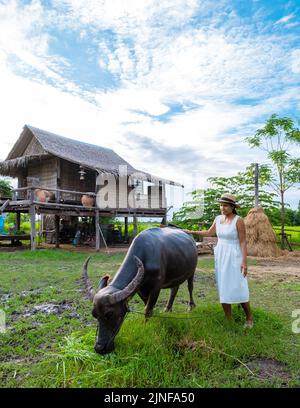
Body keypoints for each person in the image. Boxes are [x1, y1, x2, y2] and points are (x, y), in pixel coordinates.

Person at [184, 193, 253, 328]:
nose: (222, 208)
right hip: (221, 255)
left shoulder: (238, 220)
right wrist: (191, 232)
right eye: (221, 205)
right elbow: (209, 233)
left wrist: (244, 262)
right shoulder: (218, 219)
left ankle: (249, 317)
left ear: (232, 207)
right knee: (223, 286)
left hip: (234, 255)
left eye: (226, 206)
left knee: (239, 285)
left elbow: (243, 242)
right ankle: (228, 319)